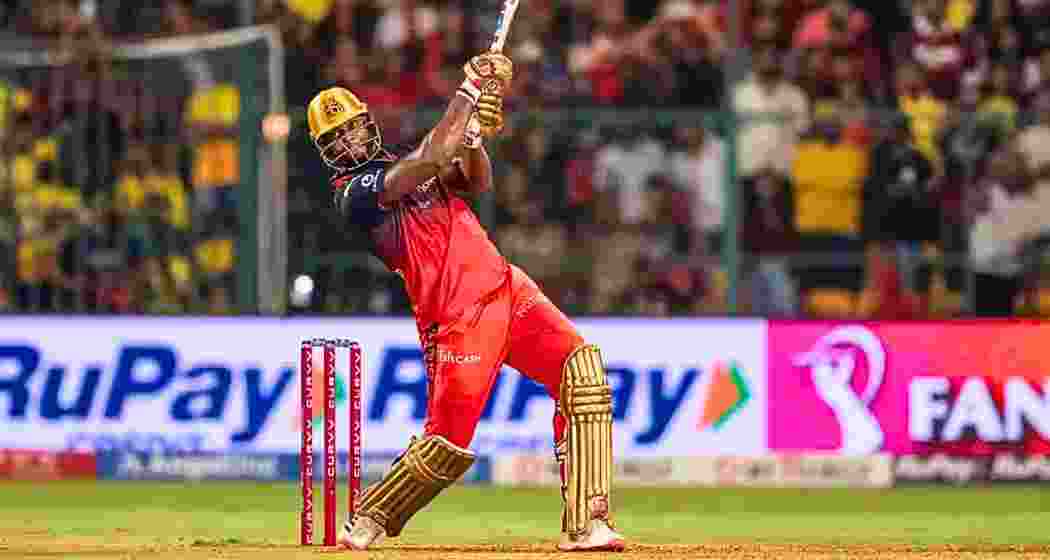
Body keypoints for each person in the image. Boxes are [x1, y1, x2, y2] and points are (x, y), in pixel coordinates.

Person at [306, 53, 625, 552]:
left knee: (582, 373)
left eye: (351, 129)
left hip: (508, 289)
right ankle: (371, 515)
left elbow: (474, 179)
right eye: (334, 139)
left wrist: (473, 138)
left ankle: (587, 523)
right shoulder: (355, 195)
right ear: (326, 152)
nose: (347, 141)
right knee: (445, 448)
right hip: (456, 318)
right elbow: (432, 158)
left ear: (367, 125)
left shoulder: (406, 163)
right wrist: (469, 92)